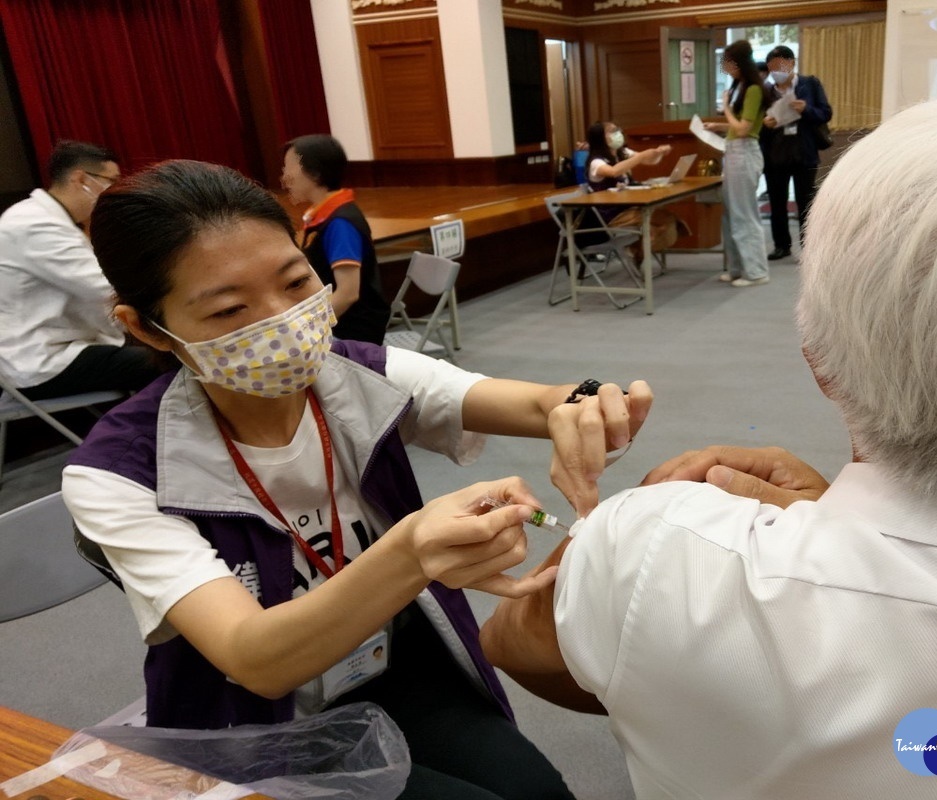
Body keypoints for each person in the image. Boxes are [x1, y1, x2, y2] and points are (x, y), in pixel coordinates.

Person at [480, 87, 937, 798]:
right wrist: (830, 526)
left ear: (817, 354)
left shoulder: (660, 550)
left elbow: (510, 639)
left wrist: (616, 541)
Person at [62, 159, 653, 799]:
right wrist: (412, 549)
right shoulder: (117, 471)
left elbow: (538, 401)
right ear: (147, 327)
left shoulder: (355, 373)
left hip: (392, 666)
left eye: (295, 281)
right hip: (258, 731)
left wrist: (590, 405)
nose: (283, 321)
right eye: (230, 309)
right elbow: (255, 658)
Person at [0, 140, 159, 400]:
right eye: (111, 180)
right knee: (162, 362)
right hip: (41, 360)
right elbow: (104, 286)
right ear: (81, 178)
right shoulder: (32, 224)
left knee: (156, 345)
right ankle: (149, 436)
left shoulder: (48, 218)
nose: (114, 190)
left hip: (64, 343)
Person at [282, 134, 390, 345]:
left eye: (289, 168)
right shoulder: (321, 214)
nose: (285, 177)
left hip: (352, 334)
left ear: (314, 173)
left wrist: (307, 333)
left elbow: (348, 293)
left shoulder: (341, 223)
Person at [704, 40, 769, 287]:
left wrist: (726, 109)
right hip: (733, 152)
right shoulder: (741, 86)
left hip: (744, 152)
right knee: (731, 214)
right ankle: (737, 268)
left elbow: (743, 129)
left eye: (728, 63)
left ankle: (756, 272)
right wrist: (718, 126)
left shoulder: (753, 88)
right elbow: (737, 125)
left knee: (744, 214)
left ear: (739, 63)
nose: (726, 68)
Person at [761, 45, 832, 260]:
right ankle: (781, 245)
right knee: (777, 202)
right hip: (775, 154)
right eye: (772, 68)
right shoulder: (765, 91)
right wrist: (765, 123)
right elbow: (757, 123)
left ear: (792, 63)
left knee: (806, 202)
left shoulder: (809, 84)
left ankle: (808, 246)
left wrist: (806, 110)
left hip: (804, 151)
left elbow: (826, 113)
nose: (776, 71)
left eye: (780, 66)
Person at [583, 121, 686, 258]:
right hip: (612, 214)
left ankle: (636, 248)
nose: (617, 133)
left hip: (630, 206)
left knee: (667, 219)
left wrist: (658, 152)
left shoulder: (622, 152)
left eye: (617, 129)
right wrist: (640, 156)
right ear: (600, 138)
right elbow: (613, 171)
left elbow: (649, 160)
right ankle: (636, 249)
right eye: (612, 131)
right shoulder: (596, 162)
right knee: (655, 224)